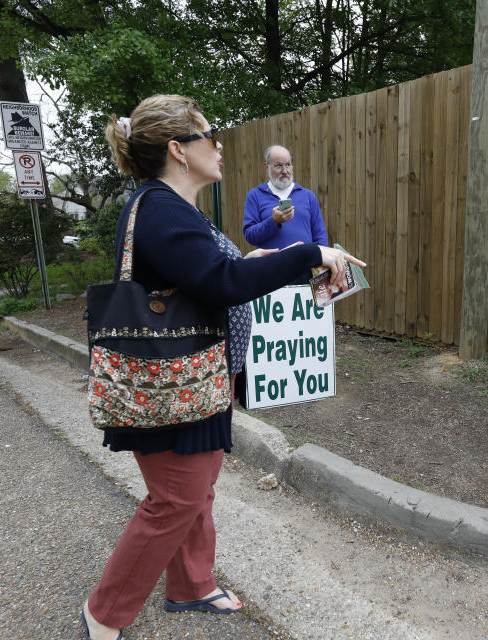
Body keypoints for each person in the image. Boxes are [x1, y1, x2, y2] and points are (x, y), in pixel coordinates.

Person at [82, 94, 365, 640]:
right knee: (176, 499)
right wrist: (308, 252)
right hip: (168, 382)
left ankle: (190, 586)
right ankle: (105, 609)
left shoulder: (178, 208)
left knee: (198, 489)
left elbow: (212, 271)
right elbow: (220, 285)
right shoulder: (161, 209)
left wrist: (255, 261)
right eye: (209, 137)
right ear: (177, 150)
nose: (220, 147)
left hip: (200, 377)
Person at [242, 144, 328, 252]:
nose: (284, 171)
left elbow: (320, 236)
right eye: (278, 166)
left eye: (288, 165)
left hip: (305, 266)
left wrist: (323, 263)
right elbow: (250, 236)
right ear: (267, 166)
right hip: (272, 266)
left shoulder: (307, 196)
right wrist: (273, 221)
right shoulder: (255, 196)